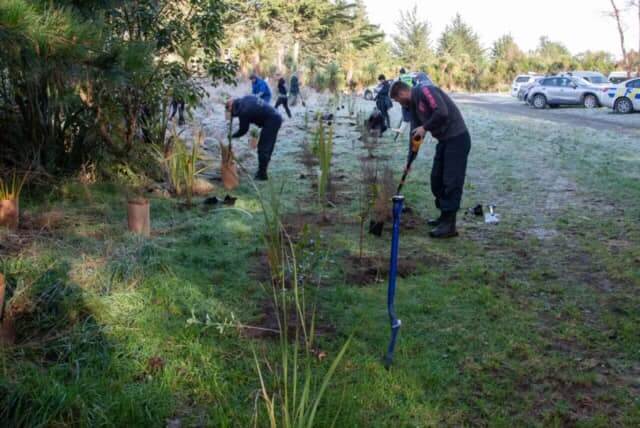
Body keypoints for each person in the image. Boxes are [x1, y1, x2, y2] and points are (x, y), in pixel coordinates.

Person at [390, 80, 471, 239]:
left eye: (397, 100)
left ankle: (449, 225)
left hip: (457, 139)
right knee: (436, 179)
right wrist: (410, 158)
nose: (399, 104)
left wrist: (425, 127)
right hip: (444, 141)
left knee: (451, 182)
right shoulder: (412, 106)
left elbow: (441, 112)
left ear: (402, 93)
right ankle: (444, 217)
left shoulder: (425, 90)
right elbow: (415, 133)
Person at [225, 95, 282, 181]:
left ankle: (262, 175)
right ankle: (262, 171)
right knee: (267, 147)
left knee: (263, 148)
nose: (233, 115)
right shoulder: (245, 99)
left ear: (231, 107)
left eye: (230, 112)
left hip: (272, 120)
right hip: (275, 116)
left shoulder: (243, 111)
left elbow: (243, 130)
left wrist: (232, 136)